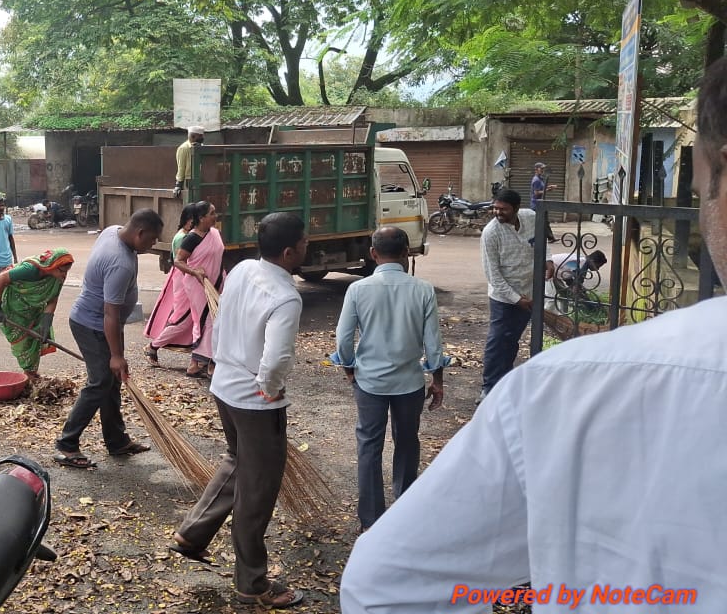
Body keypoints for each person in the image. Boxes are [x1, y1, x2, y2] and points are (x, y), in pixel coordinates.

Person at [338, 56, 727, 614]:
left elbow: (382, 588)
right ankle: (404, 486)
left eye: (698, 182)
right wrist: (437, 372)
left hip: (382, 377)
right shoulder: (462, 278)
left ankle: (377, 512)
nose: (499, 212)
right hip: (466, 335)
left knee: (372, 442)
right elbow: (454, 318)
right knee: (436, 413)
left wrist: (349, 365)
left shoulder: (563, 386)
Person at [169, 212, 308, 610]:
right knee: (258, 489)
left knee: (236, 461)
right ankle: (252, 583)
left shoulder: (244, 269)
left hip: (224, 385)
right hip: (254, 400)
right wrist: (269, 387)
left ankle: (192, 534)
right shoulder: (286, 297)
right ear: (289, 252)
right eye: (304, 243)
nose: (307, 247)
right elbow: (277, 357)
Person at [331, 226, 446, 532]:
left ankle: (371, 520)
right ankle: (405, 512)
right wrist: (437, 379)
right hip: (409, 382)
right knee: (407, 442)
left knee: (369, 445)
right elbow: (433, 343)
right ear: (406, 252)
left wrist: (348, 366)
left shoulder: (358, 290)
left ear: (373, 253)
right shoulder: (423, 290)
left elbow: (343, 339)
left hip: (370, 382)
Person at [52, 209, 163, 469]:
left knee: (113, 380)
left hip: (100, 323)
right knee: (101, 381)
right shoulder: (120, 262)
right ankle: (67, 444)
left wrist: (118, 356)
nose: (153, 244)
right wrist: (115, 355)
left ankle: (117, 441)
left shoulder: (113, 231)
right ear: (140, 233)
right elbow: (110, 314)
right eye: (152, 239)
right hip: (92, 325)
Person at [144, 201, 225, 378]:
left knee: (202, 322)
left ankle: (196, 364)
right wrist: (195, 272)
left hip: (215, 284)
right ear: (201, 218)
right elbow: (178, 261)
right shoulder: (190, 238)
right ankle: (208, 363)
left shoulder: (214, 234)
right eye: (212, 213)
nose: (215, 216)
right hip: (196, 286)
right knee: (204, 322)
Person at [478, 187, 536, 403]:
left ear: (517, 208)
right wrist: (516, 299)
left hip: (528, 291)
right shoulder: (491, 233)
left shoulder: (531, 217)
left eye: (503, 209)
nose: (497, 212)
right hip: (503, 298)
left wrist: (548, 260)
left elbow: (543, 242)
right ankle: (488, 388)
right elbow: (493, 275)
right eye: (495, 208)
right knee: (498, 341)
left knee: (512, 340)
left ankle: (504, 383)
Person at [0, 248, 75, 383]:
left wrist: (46, 323)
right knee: (22, 341)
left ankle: (31, 372)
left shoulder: (57, 277)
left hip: (35, 308)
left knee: (36, 338)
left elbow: (52, 300)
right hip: (15, 306)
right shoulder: (30, 270)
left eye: (67, 271)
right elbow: (1, 278)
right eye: (62, 271)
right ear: (52, 266)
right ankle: (28, 372)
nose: (64, 275)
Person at [173, 126, 206, 199]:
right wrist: (178, 185)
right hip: (189, 182)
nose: (202, 138)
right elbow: (181, 167)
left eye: (202, 136)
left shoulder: (202, 147)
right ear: (192, 136)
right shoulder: (184, 148)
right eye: (200, 136)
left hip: (202, 181)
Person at [530, 162, 559, 242]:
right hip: (537, 204)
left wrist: (550, 187)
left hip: (540, 203)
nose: (543, 170)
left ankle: (550, 237)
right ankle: (547, 238)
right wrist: (547, 190)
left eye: (543, 169)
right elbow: (536, 192)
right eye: (541, 168)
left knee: (544, 221)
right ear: (536, 169)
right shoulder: (536, 180)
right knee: (542, 222)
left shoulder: (540, 178)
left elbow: (541, 188)